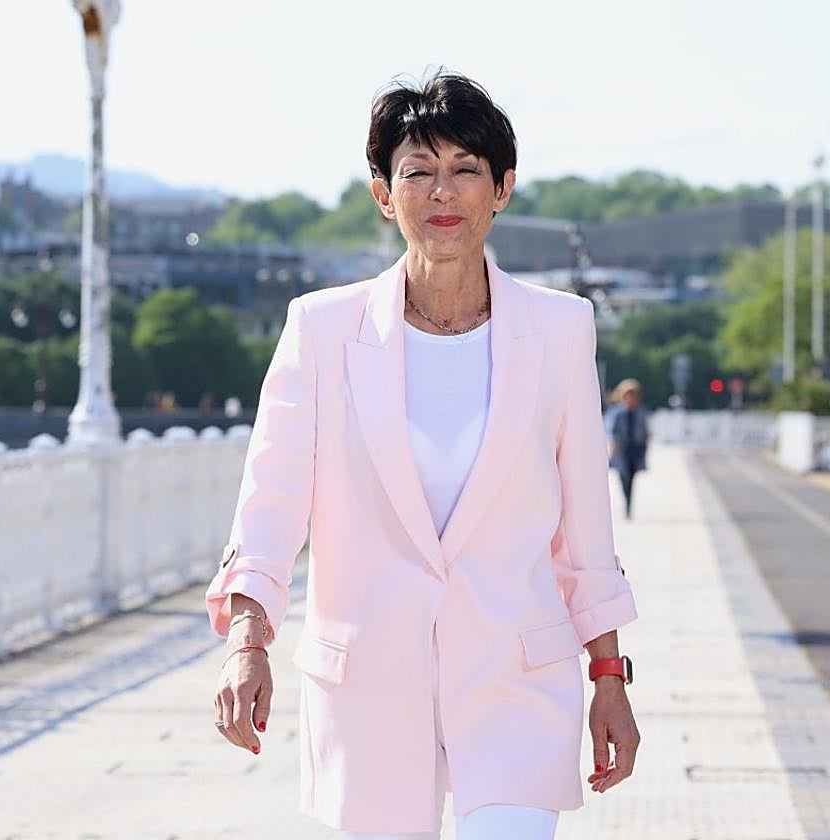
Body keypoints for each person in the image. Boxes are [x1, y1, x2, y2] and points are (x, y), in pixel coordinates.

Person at [206, 70, 640, 840]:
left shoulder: (561, 330)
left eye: (467, 170)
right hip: (369, 689)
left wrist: (609, 674)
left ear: (502, 188)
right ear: (384, 195)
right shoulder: (321, 330)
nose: (444, 193)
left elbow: (584, 530)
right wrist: (248, 642)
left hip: (518, 682)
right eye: (419, 172)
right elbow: (271, 504)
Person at [606, 379, 650, 519]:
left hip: (635, 451)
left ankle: (629, 505)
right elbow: (611, 431)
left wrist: (644, 448)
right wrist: (613, 445)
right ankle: (626, 501)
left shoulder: (641, 412)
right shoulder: (617, 413)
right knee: (623, 477)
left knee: (631, 478)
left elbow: (645, 432)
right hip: (621, 450)